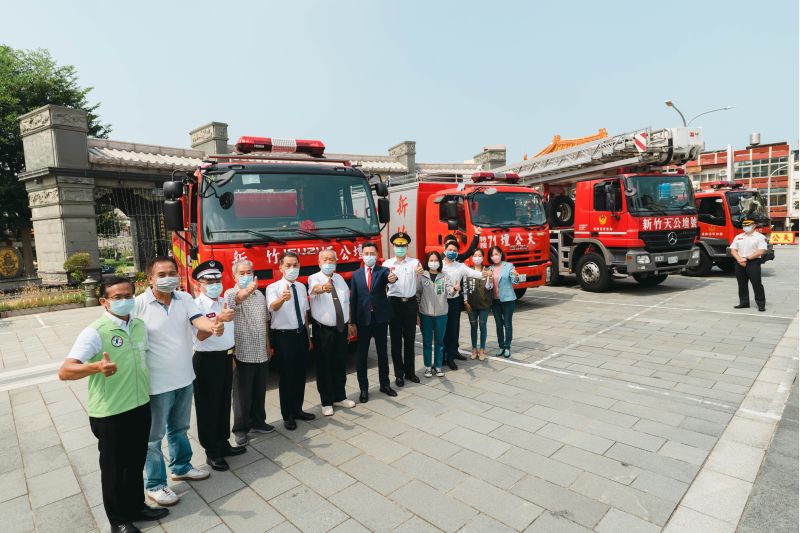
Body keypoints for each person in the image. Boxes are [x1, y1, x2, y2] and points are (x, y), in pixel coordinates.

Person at [59, 277, 168, 533]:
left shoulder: (139, 325)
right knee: (114, 469)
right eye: (117, 297)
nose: (124, 300)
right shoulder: (95, 332)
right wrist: (96, 367)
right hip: (111, 412)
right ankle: (118, 521)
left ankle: (136, 506)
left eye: (128, 295)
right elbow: (65, 371)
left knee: (135, 461)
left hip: (139, 405)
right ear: (104, 302)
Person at [135, 256, 223, 507]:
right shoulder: (139, 304)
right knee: (154, 437)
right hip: (157, 383)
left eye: (172, 273)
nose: (168, 278)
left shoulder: (184, 298)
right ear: (149, 278)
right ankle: (154, 485)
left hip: (184, 377)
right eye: (161, 274)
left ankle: (181, 466)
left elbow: (199, 320)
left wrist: (214, 325)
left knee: (179, 428)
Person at [191, 260, 245, 472]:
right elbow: (199, 337)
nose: (215, 284)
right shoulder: (196, 306)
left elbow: (228, 334)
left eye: (218, 279)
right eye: (209, 280)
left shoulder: (224, 301)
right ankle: (212, 452)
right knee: (208, 408)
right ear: (200, 284)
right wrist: (217, 322)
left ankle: (223, 443)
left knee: (223, 404)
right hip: (206, 361)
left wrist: (231, 355)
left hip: (225, 358)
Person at [224, 260, 273, 446]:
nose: (246, 276)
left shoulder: (260, 295)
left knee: (259, 390)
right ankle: (240, 429)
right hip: (242, 352)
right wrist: (247, 291)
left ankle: (258, 422)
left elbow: (265, 321)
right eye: (242, 273)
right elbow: (235, 300)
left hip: (261, 350)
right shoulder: (230, 293)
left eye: (249, 272)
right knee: (242, 394)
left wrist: (268, 344)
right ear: (235, 276)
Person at [267, 251, 315, 430]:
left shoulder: (302, 287)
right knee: (287, 376)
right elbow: (272, 307)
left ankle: (298, 409)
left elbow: (304, 313)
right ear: (280, 267)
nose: (292, 268)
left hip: (301, 334)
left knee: (300, 373)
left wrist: (308, 336)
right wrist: (282, 299)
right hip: (284, 337)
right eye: (288, 265)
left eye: (295, 265)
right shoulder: (274, 288)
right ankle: (287, 415)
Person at [308, 249, 356, 416]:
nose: (329, 262)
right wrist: (323, 288)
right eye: (325, 260)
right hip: (324, 331)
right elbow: (314, 289)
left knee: (340, 362)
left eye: (331, 260)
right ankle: (326, 401)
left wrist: (349, 323)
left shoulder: (340, 278)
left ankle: (339, 396)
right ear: (319, 262)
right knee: (324, 365)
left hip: (341, 328)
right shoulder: (314, 277)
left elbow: (346, 302)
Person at [350, 242, 398, 403]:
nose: (369, 256)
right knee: (361, 356)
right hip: (363, 320)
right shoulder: (356, 274)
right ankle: (363, 388)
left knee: (382, 353)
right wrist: (352, 322)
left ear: (377, 256)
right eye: (366, 253)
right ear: (362, 255)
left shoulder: (383, 271)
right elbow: (353, 299)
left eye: (372, 253)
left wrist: (393, 278)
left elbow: (391, 278)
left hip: (380, 319)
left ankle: (385, 384)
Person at [383, 231, 424, 387]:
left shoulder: (414, 262)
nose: (400, 248)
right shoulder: (387, 264)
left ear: (407, 247)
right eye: (397, 245)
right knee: (395, 342)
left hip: (410, 304)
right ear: (393, 247)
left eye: (403, 246)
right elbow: (384, 284)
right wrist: (388, 280)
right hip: (394, 304)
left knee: (410, 339)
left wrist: (420, 272)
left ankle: (410, 372)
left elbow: (420, 274)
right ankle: (399, 375)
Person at [441, 237, 487, 369]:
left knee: (453, 329)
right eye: (450, 250)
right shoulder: (440, 265)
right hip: (441, 302)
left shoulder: (460, 266)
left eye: (455, 250)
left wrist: (484, 273)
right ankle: (441, 356)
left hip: (454, 301)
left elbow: (473, 273)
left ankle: (450, 357)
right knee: (442, 330)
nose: (452, 252)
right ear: (444, 251)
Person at [416, 251, 454, 378]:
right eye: (431, 260)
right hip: (425, 314)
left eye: (435, 260)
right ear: (427, 262)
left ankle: (438, 366)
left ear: (439, 262)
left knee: (439, 341)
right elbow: (418, 294)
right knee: (427, 341)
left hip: (441, 314)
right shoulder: (422, 276)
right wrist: (417, 313)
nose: (433, 263)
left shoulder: (444, 276)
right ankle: (427, 367)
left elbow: (450, 292)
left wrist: (454, 289)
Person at [487, 246, 521, 358]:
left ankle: (507, 347)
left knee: (507, 324)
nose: (495, 257)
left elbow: (515, 281)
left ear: (501, 254)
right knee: (498, 324)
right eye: (492, 255)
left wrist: (516, 276)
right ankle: (501, 346)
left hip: (508, 300)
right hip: (495, 301)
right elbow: (488, 286)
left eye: (496, 254)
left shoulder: (509, 266)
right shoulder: (489, 269)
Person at [731, 218, 768, 312]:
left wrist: (746, 258)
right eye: (744, 225)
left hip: (753, 262)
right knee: (742, 284)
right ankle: (744, 303)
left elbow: (761, 251)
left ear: (754, 226)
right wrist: (739, 259)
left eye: (748, 225)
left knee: (756, 284)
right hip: (739, 262)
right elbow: (733, 250)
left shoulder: (760, 237)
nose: (745, 227)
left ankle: (761, 304)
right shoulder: (738, 236)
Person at [463, 249, 492, 361]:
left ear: (483, 257)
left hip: (484, 304)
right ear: (472, 257)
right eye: (475, 255)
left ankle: (482, 349)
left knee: (483, 326)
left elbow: (489, 287)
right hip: (471, 304)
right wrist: (465, 301)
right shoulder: (468, 271)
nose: (477, 257)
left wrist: (489, 277)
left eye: (479, 255)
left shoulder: (487, 270)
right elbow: (465, 287)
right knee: (473, 326)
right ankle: (474, 349)